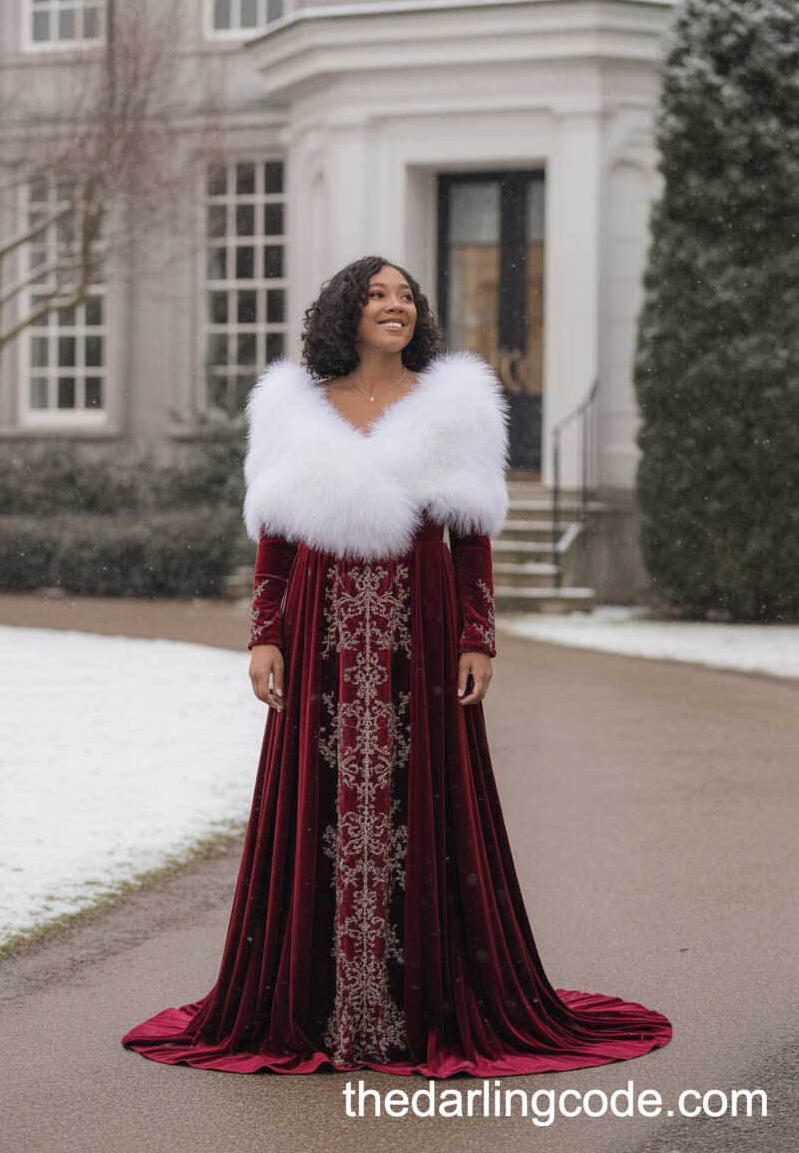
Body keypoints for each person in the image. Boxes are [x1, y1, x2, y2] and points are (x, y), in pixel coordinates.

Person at [123, 256, 672, 1077]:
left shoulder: (453, 408)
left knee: (428, 794)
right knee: (317, 795)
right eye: (378, 294)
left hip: (423, 618)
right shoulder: (294, 410)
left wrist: (478, 636)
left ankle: (427, 1004)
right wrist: (265, 633)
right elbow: (275, 535)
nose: (395, 305)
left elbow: (471, 537)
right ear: (346, 310)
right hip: (318, 626)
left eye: (406, 295)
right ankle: (316, 1003)